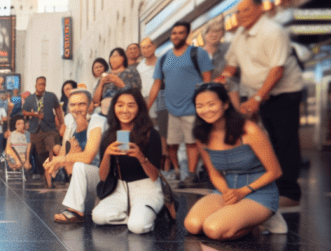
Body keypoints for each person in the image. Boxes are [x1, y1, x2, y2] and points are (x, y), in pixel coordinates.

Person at [218, 0, 304, 206]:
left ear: (260, 9)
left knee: (284, 141)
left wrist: (257, 99)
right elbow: (231, 66)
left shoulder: (273, 32)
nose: (240, 16)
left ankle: (290, 194)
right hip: (255, 93)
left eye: (246, 10)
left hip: (284, 92)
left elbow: (277, 71)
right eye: (238, 12)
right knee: (260, 140)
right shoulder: (239, 34)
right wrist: (219, 82)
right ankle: (266, 186)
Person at [183, 82, 287, 239]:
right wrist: (226, 192)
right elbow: (214, 173)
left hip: (258, 192)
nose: (206, 110)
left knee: (213, 229)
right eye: (200, 106)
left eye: (211, 104)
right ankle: (238, 215)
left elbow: (275, 171)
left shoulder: (249, 130)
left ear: (225, 104)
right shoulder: (202, 135)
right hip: (228, 191)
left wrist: (243, 191)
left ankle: (265, 217)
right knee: (193, 225)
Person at [91, 88, 166, 234]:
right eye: (120, 105)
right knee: (98, 217)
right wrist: (107, 154)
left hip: (147, 189)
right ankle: (136, 216)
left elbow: (154, 176)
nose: (125, 110)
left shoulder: (151, 134)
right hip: (120, 189)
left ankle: (144, 216)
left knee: (137, 227)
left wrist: (140, 156)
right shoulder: (110, 135)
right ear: (114, 108)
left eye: (131, 105)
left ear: (139, 109)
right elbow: (102, 177)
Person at [147, 21, 213, 188]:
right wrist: (146, 106)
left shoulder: (198, 53)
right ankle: (179, 172)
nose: (176, 36)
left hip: (193, 109)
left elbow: (207, 80)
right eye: (174, 33)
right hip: (171, 110)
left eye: (181, 32)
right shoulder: (163, 59)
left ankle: (191, 175)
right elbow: (156, 84)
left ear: (187, 34)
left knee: (192, 143)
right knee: (171, 145)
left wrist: (206, 104)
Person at [48, 88, 105, 223]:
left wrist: (62, 158)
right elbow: (63, 154)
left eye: (82, 104)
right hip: (89, 180)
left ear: (91, 106)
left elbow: (88, 157)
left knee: (79, 164)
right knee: (74, 162)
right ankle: (80, 205)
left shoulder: (97, 120)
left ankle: (76, 211)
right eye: (73, 105)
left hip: (106, 177)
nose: (77, 108)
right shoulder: (71, 125)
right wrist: (52, 163)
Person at [22, 77, 65, 177]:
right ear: (35, 85)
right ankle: (43, 174)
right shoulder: (29, 98)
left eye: (43, 84)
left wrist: (62, 123)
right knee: (39, 152)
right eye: (39, 84)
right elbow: (24, 112)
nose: (41, 86)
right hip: (35, 130)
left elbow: (58, 109)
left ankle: (61, 170)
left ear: (45, 85)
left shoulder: (51, 96)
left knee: (54, 147)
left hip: (50, 128)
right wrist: (34, 114)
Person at [93, 48, 141, 117]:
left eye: (115, 56)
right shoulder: (105, 76)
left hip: (124, 111)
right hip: (105, 113)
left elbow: (136, 94)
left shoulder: (131, 72)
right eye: (111, 57)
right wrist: (101, 84)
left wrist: (119, 83)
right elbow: (95, 101)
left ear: (123, 58)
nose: (113, 59)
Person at [201, 20, 240, 109]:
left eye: (218, 31)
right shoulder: (199, 55)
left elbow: (233, 69)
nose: (214, 34)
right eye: (211, 31)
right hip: (215, 98)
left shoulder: (229, 47)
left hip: (236, 94)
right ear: (205, 34)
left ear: (223, 34)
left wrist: (220, 79)